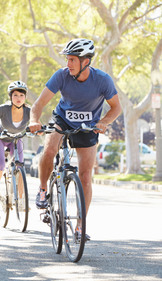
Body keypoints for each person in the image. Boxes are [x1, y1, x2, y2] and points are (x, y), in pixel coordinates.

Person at [28, 38, 122, 239]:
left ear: (85, 61)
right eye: (67, 59)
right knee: (49, 149)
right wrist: (34, 120)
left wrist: (104, 122)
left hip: (89, 126)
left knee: (86, 176)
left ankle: (80, 226)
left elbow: (116, 107)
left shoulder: (102, 80)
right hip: (62, 119)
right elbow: (38, 104)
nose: (68, 64)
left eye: (72, 60)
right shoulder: (61, 76)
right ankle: (43, 189)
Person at [0, 81, 30, 205]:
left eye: (21, 95)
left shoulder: (29, 111)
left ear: (25, 97)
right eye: (15, 95)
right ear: (11, 97)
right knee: (0, 164)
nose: (18, 98)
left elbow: (37, 123)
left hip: (15, 139)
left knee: (20, 166)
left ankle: (21, 199)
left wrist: (39, 130)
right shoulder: (4, 109)